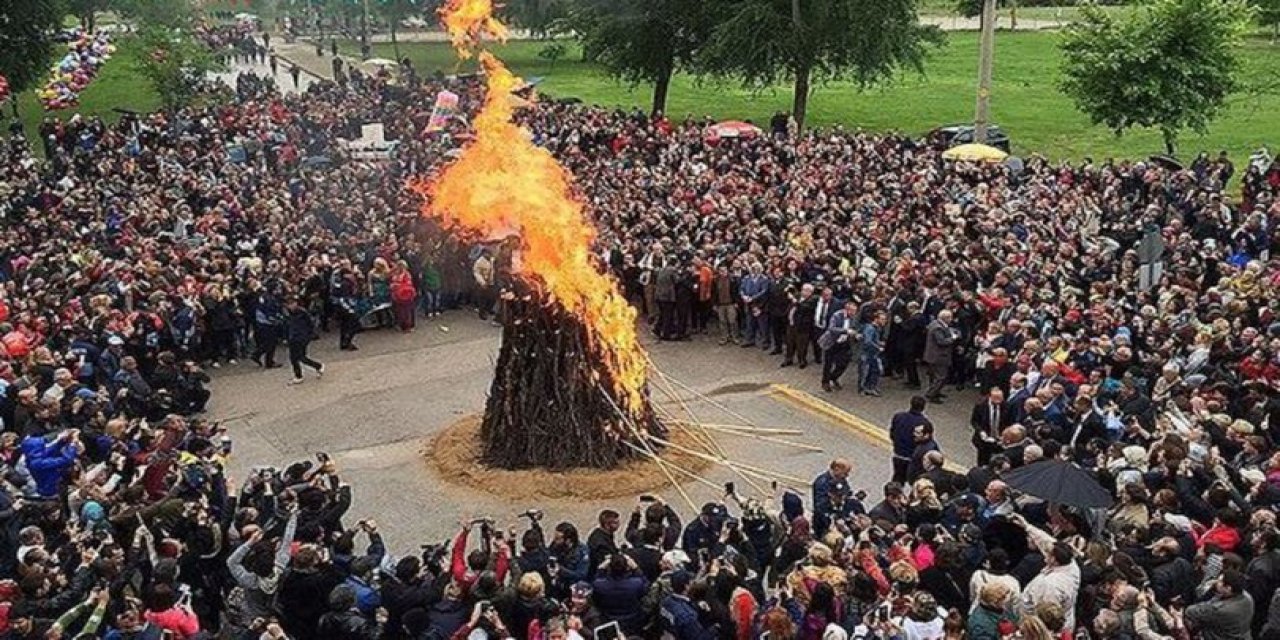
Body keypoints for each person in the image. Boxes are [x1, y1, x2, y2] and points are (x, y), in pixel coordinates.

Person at [819, 300, 859, 392]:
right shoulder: (837, 315)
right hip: (832, 343)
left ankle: (833, 377)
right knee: (828, 363)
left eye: (855, 311)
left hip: (844, 343)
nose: (854, 313)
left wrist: (855, 334)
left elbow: (855, 328)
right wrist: (845, 331)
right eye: (852, 311)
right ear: (847, 310)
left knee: (843, 362)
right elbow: (832, 328)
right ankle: (825, 382)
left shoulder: (853, 318)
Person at [890, 397, 932, 484]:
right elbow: (927, 443)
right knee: (916, 482)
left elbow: (892, 433)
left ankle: (894, 494)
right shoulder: (925, 423)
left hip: (898, 454)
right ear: (923, 408)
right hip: (913, 457)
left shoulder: (898, 416)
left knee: (898, 478)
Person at [284, 296, 324, 385]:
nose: (292, 306)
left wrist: (308, 335)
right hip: (292, 338)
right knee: (294, 358)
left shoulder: (302, 312)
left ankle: (315, 367)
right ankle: (300, 375)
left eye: (293, 303)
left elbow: (310, 324)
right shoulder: (288, 314)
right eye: (289, 304)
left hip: (301, 337)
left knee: (300, 357)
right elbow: (287, 326)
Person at [923, 310, 959, 403]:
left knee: (934, 375)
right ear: (945, 318)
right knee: (941, 377)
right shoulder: (938, 328)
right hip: (939, 356)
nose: (951, 319)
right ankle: (932, 394)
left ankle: (935, 391)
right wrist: (953, 338)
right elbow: (941, 341)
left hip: (932, 355)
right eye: (950, 317)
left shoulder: (934, 323)